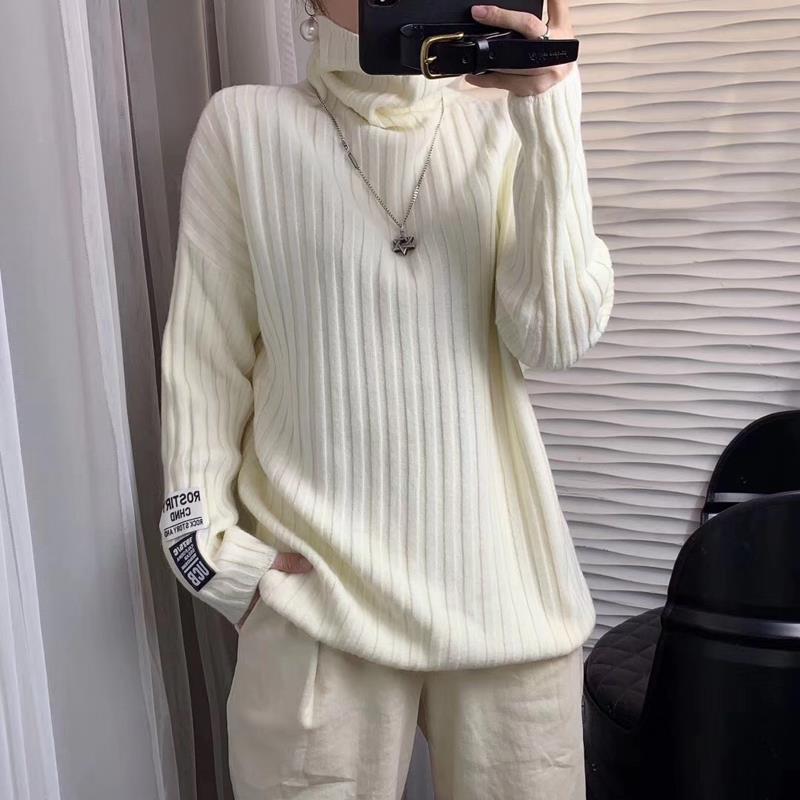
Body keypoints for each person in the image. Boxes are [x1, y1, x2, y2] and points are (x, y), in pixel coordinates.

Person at [158, 0, 614, 797]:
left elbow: (554, 337)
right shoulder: (245, 129)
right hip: (316, 610)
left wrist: (548, 109)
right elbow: (205, 363)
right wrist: (215, 561)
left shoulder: (507, 123)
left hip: (509, 600)